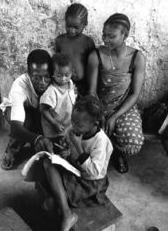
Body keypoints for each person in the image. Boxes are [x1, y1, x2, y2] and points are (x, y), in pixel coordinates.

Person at [37, 95, 113, 231]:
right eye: (72, 121)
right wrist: (65, 149)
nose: (73, 126)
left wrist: (78, 147)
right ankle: (65, 210)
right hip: (74, 169)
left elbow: (94, 171)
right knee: (47, 163)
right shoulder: (74, 128)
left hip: (90, 182)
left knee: (52, 200)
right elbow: (66, 142)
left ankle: (66, 214)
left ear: (94, 124)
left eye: (79, 125)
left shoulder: (101, 141)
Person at [87, 13, 146, 173]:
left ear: (124, 35)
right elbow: (92, 92)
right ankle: (104, 150)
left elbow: (134, 94)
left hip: (123, 107)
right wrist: (99, 114)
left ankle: (117, 152)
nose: (105, 39)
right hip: (99, 104)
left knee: (133, 143)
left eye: (111, 36)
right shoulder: (96, 55)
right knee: (85, 131)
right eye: (104, 35)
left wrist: (114, 116)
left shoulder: (137, 58)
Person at [0, 49, 54, 170]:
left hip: (38, 111)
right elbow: (15, 127)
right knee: (25, 123)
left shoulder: (57, 79)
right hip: (17, 112)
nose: (42, 82)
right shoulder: (19, 86)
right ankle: (11, 150)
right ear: (28, 74)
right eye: (36, 78)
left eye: (46, 77)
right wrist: (37, 138)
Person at [55, 3, 95, 97]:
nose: (72, 30)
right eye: (68, 26)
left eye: (76, 27)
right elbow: (57, 62)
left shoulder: (88, 42)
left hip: (83, 86)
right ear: (65, 21)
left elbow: (91, 66)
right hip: (63, 84)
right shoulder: (60, 40)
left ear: (85, 24)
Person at [40, 52, 76, 138]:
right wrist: (54, 123)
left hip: (66, 126)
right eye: (59, 76)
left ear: (72, 72)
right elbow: (43, 109)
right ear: (53, 73)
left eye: (67, 75)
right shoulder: (52, 91)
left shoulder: (70, 83)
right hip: (55, 131)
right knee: (57, 148)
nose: (63, 79)